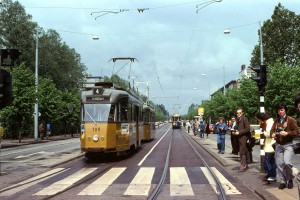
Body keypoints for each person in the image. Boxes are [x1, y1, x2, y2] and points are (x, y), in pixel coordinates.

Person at [270, 102, 299, 189]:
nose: (280, 112)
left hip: (288, 144)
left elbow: (296, 131)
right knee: (279, 164)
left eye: (282, 110)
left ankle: (290, 179)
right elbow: (272, 130)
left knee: (287, 162)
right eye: (279, 110)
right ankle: (283, 181)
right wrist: (273, 134)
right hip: (279, 145)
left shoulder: (290, 119)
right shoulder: (276, 121)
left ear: (285, 110)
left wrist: (287, 133)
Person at [256, 112, 276, 182]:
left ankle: (271, 175)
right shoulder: (270, 121)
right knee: (272, 161)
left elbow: (268, 134)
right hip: (271, 143)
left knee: (266, 161)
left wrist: (262, 131)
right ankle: (272, 176)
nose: (259, 121)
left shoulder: (268, 123)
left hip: (270, 144)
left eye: (258, 120)